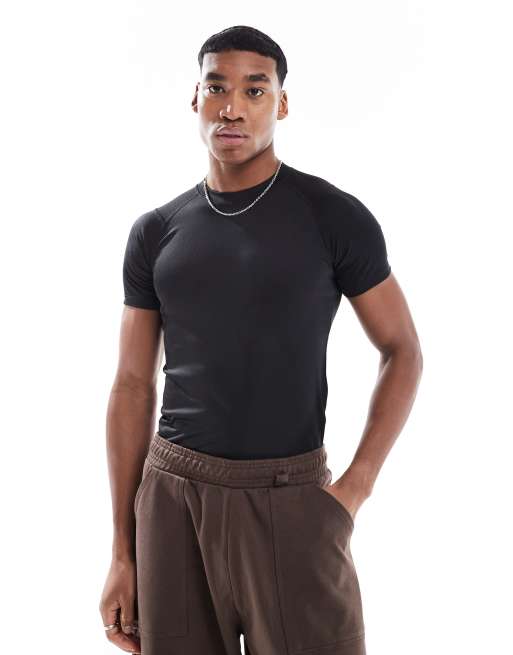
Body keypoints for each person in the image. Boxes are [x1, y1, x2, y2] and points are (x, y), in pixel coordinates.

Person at [99, 24, 423, 655]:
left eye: (254, 90)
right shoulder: (156, 231)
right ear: (195, 98)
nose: (232, 107)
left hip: (291, 498)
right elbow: (132, 385)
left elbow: (402, 349)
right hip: (171, 500)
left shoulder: (332, 217)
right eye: (217, 87)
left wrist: (353, 489)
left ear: (281, 103)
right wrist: (122, 549)